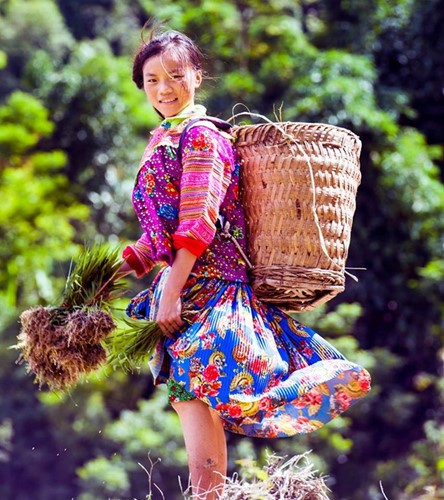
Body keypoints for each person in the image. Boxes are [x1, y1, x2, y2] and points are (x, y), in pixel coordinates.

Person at [120, 25, 371, 499]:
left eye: (175, 75)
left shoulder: (203, 139)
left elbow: (197, 225)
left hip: (209, 292)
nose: (164, 88)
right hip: (182, 292)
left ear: (196, 75)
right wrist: (100, 279)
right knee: (192, 409)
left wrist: (170, 295)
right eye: (152, 80)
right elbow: (157, 239)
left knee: (214, 401)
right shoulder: (163, 142)